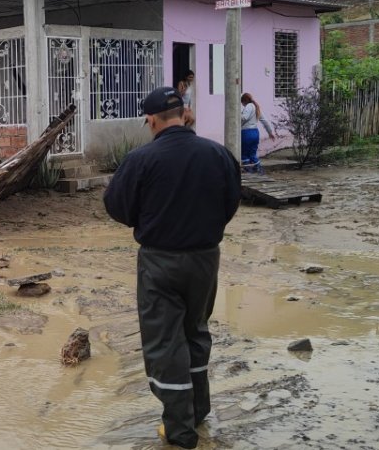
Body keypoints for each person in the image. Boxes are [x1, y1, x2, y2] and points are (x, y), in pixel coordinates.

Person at [103, 86, 241, 449]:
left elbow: (117, 207)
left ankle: (180, 431)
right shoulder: (219, 154)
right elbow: (231, 203)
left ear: (150, 120)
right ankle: (198, 413)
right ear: (185, 113)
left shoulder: (141, 159)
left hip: (160, 262)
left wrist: (148, 219)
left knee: (165, 344)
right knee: (196, 332)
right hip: (206, 259)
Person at [240, 92, 275, 174]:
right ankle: (259, 171)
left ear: (244, 101)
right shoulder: (256, 107)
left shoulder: (248, 106)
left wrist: (237, 116)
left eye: (242, 103)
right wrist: (270, 132)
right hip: (255, 133)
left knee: (244, 153)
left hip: (246, 133)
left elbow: (244, 117)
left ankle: (248, 172)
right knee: (252, 153)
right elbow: (264, 121)